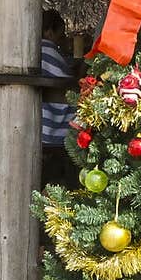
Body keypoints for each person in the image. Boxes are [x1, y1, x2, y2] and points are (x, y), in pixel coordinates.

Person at [40, 10, 77, 185]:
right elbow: (66, 81)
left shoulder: (31, 50)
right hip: (50, 130)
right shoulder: (48, 50)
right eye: (60, 36)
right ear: (49, 32)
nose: (60, 41)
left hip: (35, 125)